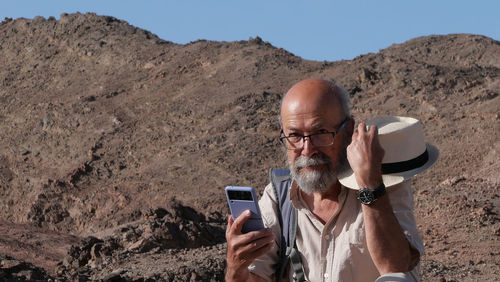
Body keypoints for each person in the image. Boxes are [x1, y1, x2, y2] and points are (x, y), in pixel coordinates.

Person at [225, 79, 438, 281]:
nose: (307, 149)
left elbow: (396, 269)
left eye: (320, 133)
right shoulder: (278, 197)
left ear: (347, 131)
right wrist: (236, 268)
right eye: (295, 136)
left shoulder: (383, 185)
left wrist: (370, 187)